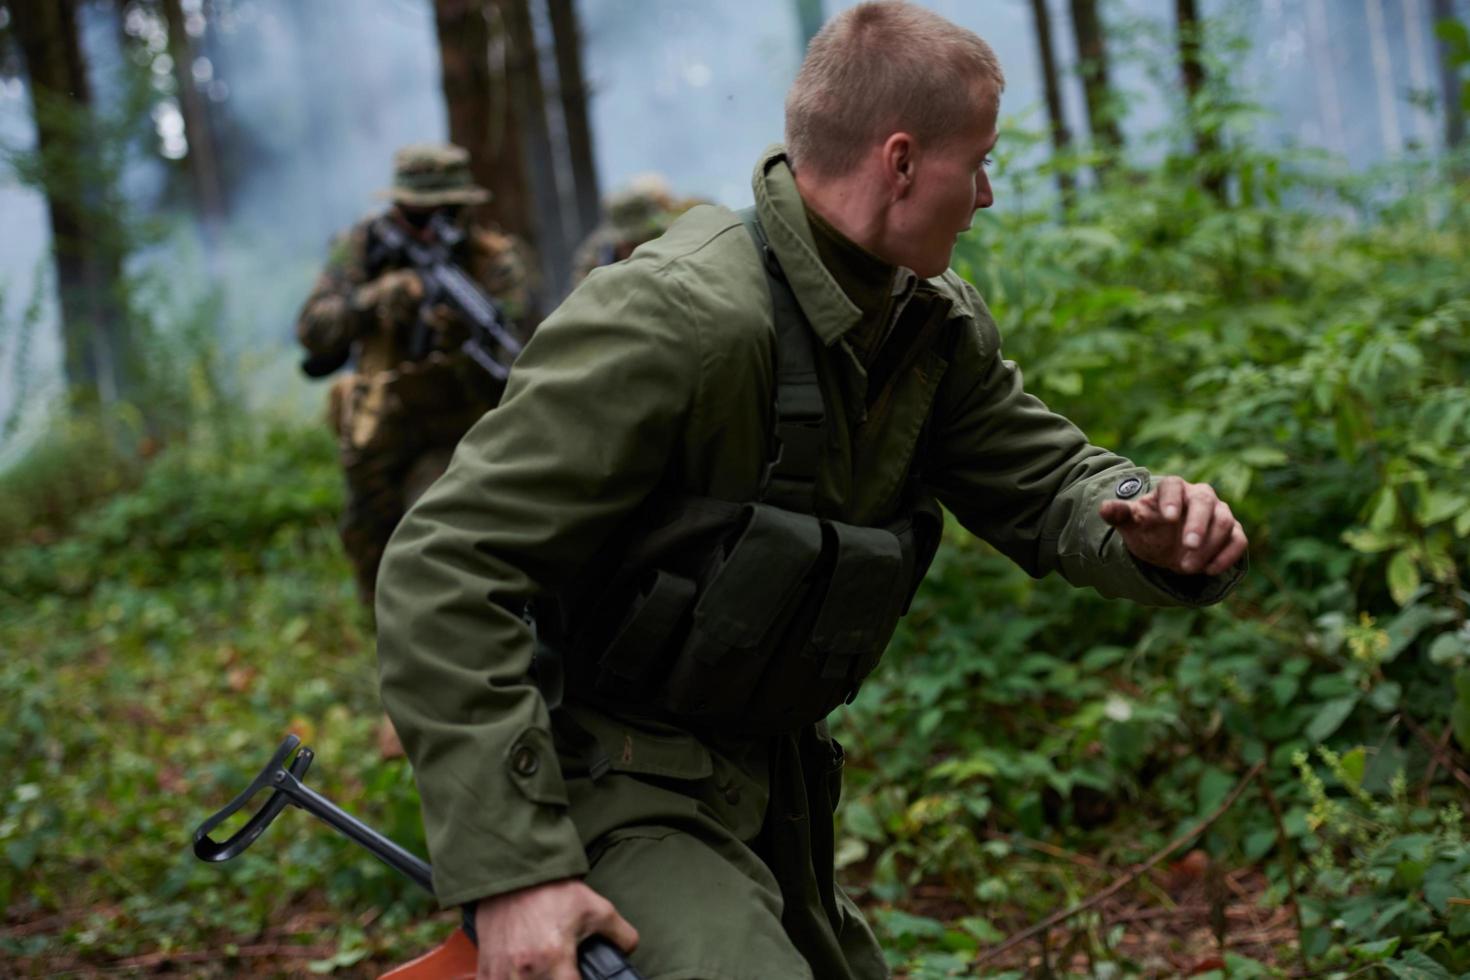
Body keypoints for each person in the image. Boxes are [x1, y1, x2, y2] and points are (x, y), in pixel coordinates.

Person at [375, 4, 1249, 979]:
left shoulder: (926, 328)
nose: (989, 194)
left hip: (776, 797)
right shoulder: (677, 316)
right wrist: (518, 872)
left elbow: (1046, 478)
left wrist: (1146, 519)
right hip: (614, 790)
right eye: (981, 162)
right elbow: (446, 562)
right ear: (902, 161)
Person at [296, 143, 532, 608]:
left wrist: (460, 337)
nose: (432, 226)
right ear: (398, 207)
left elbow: (521, 350)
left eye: (446, 212)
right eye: (417, 214)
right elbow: (313, 329)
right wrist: (377, 298)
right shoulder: (363, 247)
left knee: (448, 561)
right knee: (375, 559)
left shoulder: (493, 261)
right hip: (378, 430)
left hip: (460, 431)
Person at [569, 174, 701, 283]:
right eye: (630, 245)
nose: (636, 250)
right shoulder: (595, 257)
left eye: (644, 239)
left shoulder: (676, 237)